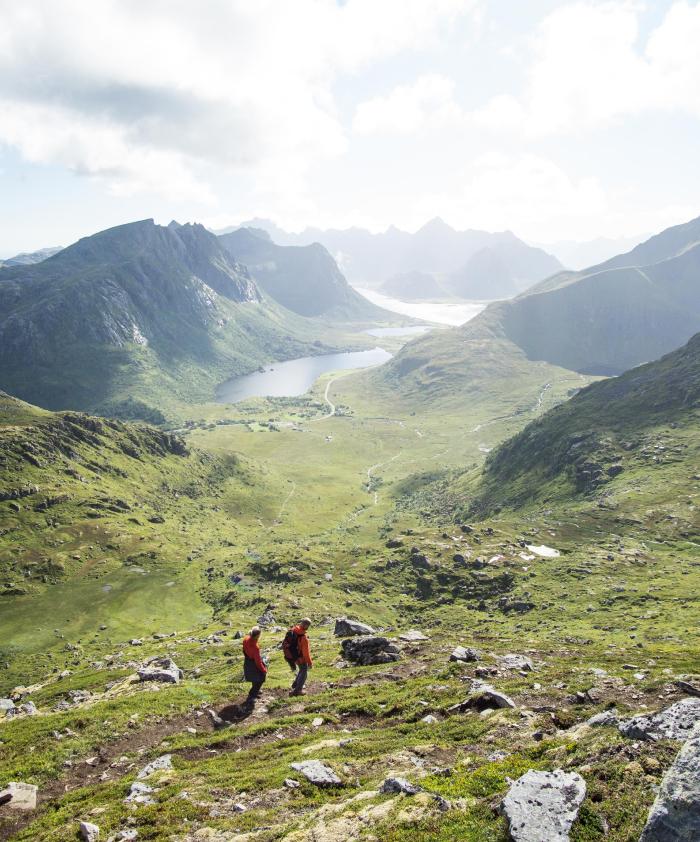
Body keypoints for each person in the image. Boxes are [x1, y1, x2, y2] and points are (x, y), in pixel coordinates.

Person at [283, 617, 312, 696]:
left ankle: (295, 684)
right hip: (301, 658)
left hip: (294, 657)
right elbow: (306, 653)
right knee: (304, 672)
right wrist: (309, 662)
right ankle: (297, 691)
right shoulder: (303, 637)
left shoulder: (294, 630)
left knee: (301, 670)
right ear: (306, 626)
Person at [242, 626, 267, 702]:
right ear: (257, 635)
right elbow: (258, 661)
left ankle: (256, 691)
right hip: (253, 663)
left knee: (254, 678)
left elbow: (244, 649)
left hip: (247, 661)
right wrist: (263, 669)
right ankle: (252, 695)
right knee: (261, 678)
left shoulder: (246, 638)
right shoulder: (255, 647)